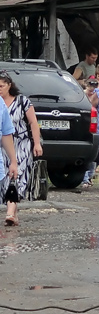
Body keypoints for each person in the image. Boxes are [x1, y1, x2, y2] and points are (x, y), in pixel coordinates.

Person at [1, 73, 38, 226]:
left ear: (9, 85)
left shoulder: (23, 102)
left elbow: (33, 123)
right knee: (5, 179)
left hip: (21, 144)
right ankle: (13, 213)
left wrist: (37, 144)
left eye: (1, 86)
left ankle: (10, 211)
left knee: (18, 176)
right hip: (3, 146)